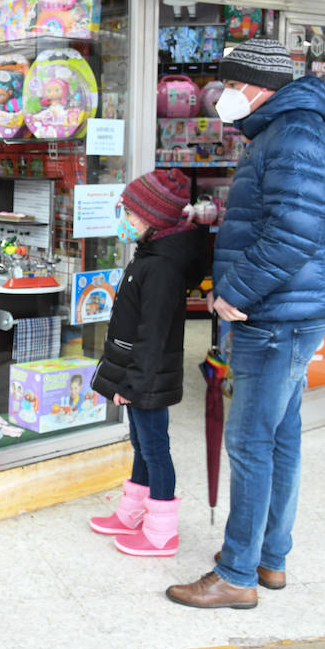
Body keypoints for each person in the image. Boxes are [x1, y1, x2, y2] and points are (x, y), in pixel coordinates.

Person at [168, 38, 325, 609]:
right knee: (280, 437)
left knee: (250, 442)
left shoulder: (292, 134)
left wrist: (233, 292)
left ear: (257, 85)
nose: (219, 96)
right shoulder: (287, 130)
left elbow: (292, 234)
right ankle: (271, 559)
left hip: (273, 314)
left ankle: (237, 573)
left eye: (227, 85)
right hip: (288, 309)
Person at [88, 169, 210, 557]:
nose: (124, 221)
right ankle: (132, 513)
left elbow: (153, 335)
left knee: (155, 448)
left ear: (153, 220)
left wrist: (131, 384)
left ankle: (161, 532)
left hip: (147, 377)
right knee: (141, 444)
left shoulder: (161, 267)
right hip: (141, 375)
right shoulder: (151, 255)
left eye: (131, 215)